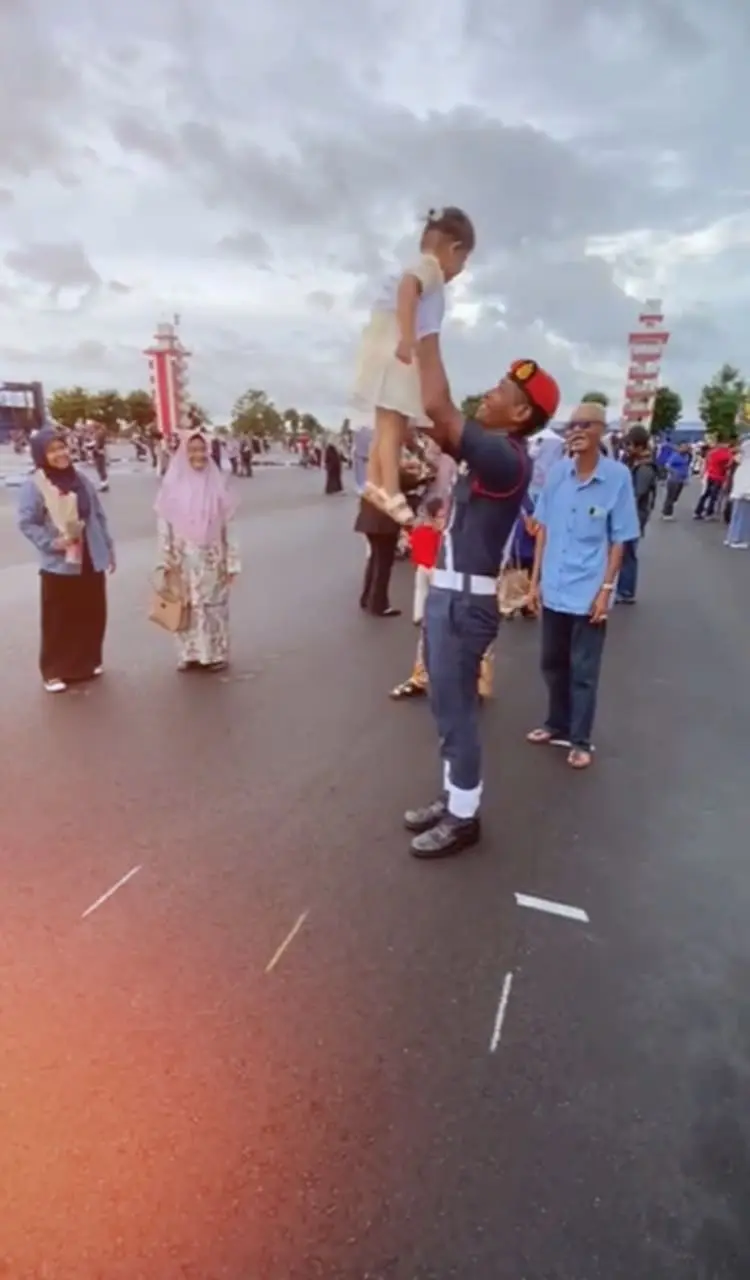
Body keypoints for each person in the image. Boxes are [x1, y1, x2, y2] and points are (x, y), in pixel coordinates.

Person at [402, 352, 561, 859]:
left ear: (521, 415)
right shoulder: (489, 453)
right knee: (444, 706)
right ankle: (454, 796)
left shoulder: (506, 457)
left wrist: (424, 320)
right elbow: (430, 419)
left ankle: (463, 817)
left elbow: (436, 404)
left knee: (457, 713)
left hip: (465, 601)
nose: (489, 392)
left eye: (501, 390)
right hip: (449, 594)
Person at [526, 402, 640, 769]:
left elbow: (619, 540)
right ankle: (555, 723)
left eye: (584, 425)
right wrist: (534, 583)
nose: (574, 431)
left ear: (600, 431)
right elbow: (542, 529)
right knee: (552, 663)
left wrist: (607, 590)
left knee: (584, 671)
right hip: (555, 586)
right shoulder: (557, 473)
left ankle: (580, 739)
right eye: (570, 425)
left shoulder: (617, 477)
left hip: (589, 590)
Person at [353, 206, 475, 526]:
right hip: (394, 345)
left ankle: (374, 483)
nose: (458, 271)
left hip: (378, 345)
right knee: (394, 422)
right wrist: (408, 337)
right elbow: (409, 287)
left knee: (384, 422)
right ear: (453, 250)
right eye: (462, 262)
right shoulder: (430, 269)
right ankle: (391, 490)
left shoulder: (418, 265)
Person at [17, 425, 115, 693]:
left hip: (90, 556)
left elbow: (98, 516)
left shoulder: (81, 479)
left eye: (62, 447)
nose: (60, 454)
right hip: (60, 563)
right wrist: (52, 543)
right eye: (53, 450)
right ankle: (54, 671)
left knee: (92, 612)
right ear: (41, 455)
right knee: (59, 618)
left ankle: (86, 663)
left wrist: (108, 550)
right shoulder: (34, 485)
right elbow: (27, 523)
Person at [154, 430, 240, 672]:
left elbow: (229, 526)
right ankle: (189, 653)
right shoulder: (172, 487)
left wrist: (232, 562)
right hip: (182, 558)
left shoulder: (218, 485)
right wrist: (165, 557)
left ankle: (214, 653)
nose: (198, 455)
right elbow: (164, 525)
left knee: (213, 606)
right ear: (183, 453)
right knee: (186, 605)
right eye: (192, 450)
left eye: (202, 449)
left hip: (212, 557)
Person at [616, 424, 658, 604]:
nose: (627, 449)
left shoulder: (644, 469)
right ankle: (623, 588)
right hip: (631, 516)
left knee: (627, 554)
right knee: (623, 553)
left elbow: (636, 495)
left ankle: (626, 591)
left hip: (634, 517)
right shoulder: (636, 464)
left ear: (640, 447)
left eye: (630, 445)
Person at [694, 439, 734, 520]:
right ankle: (709, 513)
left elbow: (708, 462)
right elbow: (728, 465)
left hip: (710, 475)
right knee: (713, 496)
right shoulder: (726, 454)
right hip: (718, 477)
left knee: (706, 494)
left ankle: (698, 512)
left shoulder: (711, 452)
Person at [725, 439, 750, 548]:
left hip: (739, 490)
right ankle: (737, 539)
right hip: (745, 491)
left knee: (737, 515)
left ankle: (731, 538)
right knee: (743, 516)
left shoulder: (742, 463)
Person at [661, 442, 691, 519]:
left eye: (686, 447)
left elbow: (686, 467)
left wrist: (686, 478)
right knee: (670, 496)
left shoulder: (686, 457)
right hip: (673, 480)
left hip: (681, 480)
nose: (685, 449)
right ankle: (667, 514)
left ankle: (666, 509)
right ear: (679, 448)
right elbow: (667, 465)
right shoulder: (675, 456)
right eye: (683, 447)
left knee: (675, 497)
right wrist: (674, 472)